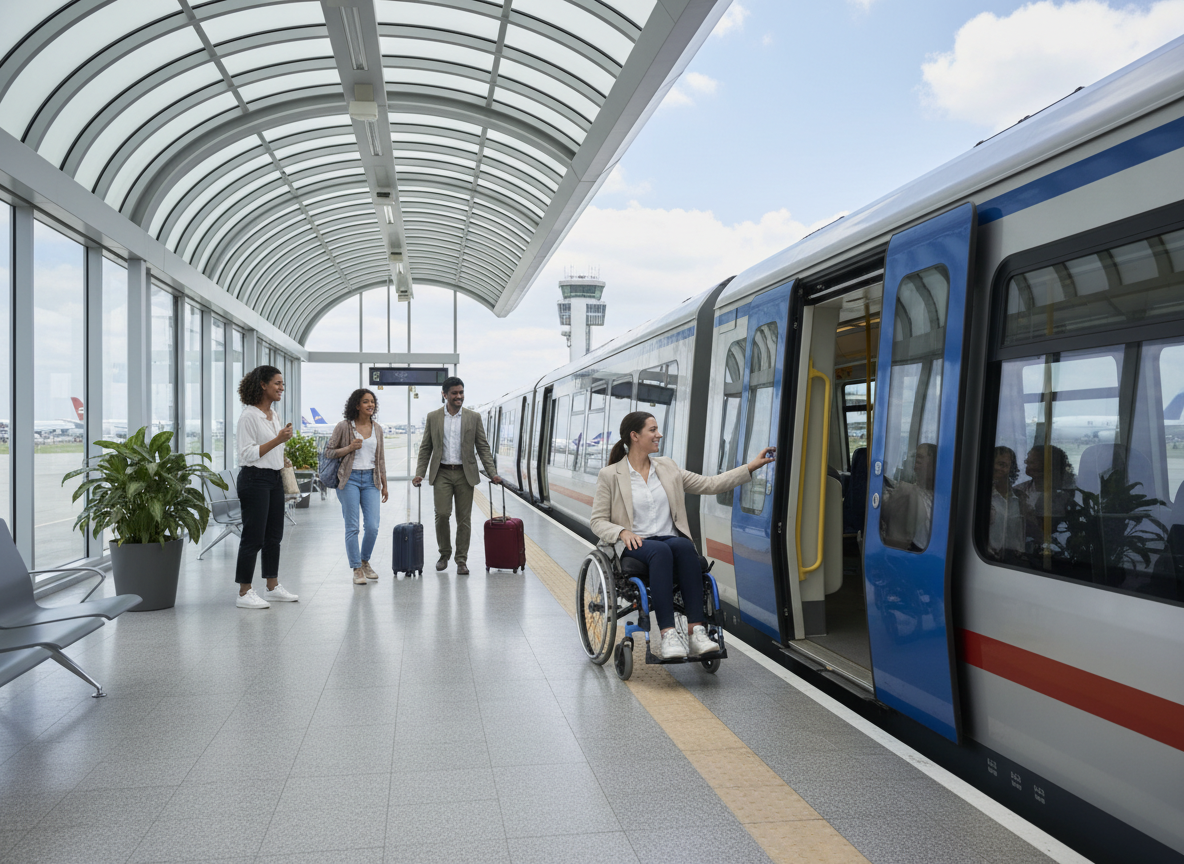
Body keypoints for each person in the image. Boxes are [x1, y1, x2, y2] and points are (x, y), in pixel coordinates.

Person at [590, 411, 775, 660]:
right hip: (637, 544)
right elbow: (597, 521)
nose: (659, 434)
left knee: (685, 547)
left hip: (667, 539)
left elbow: (710, 484)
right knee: (661, 551)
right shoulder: (611, 475)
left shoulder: (667, 468)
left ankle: (696, 631)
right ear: (635, 436)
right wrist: (621, 531)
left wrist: (751, 466)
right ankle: (667, 634)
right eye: (653, 430)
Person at [413, 377, 501, 575]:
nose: (459, 396)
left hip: (464, 473)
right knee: (442, 514)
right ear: (444, 395)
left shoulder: (473, 417)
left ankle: (461, 559)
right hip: (442, 472)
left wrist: (492, 473)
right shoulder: (433, 417)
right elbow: (426, 447)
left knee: (464, 519)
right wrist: (420, 473)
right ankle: (444, 554)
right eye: (454, 393)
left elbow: (483, 448)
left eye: (461, 392)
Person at [234, 365, 299, 609]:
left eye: (283, 384)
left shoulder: (274, 415)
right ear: (263, 385)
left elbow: (272, 450)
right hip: (254, 480)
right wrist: (278, 440)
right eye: (277, 384)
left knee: (274, 536)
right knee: (253, 537)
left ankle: (272, 587)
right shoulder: (249, 415)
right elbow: (247, 453)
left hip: (273, 479)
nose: (282, 388)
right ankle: (243, 592)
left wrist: (281, 451)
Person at [325, 389, 389, 584]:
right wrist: (349, 448)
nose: (370, 405)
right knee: (352, 527)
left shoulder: (377, 428)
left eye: (372, 402)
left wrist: (384, 485)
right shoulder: (344, 427)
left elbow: (381, 459)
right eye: (366, 402)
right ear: (357, 405)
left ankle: (365, 561)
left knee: (372, 526)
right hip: (349, 479)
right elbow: (328, 452)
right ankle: (356, 568)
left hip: (371, 480)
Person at [1016, 444, 1076, 554]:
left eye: (1032, 463)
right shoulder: (1019, 491)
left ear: (1048, 467)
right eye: (1027, 461)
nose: (1025, 463)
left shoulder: (1068, 494)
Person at [880, 442, 937, 551]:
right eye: (916, 458)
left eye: (920, 458)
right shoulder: (907, 493)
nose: (916, 462)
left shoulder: (945, 496)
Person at [987, 446, 1026, 559]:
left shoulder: (1019, 498)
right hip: (989, 559)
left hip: (1015, 560)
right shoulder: (980, 496)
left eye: (1002, 465)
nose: (996, 468)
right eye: (993, 463)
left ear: (1011, 469)